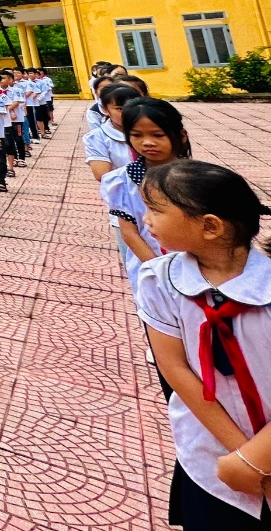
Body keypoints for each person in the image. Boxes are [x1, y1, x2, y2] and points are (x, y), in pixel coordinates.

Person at [135, 161, 271, 528]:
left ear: (210, 226)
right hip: (209, 454)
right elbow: (174, 368)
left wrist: (261, 458)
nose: (146, 219)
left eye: (156, 210)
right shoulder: (159, 281)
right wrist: (244, 456)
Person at [103, 97, 192, 294]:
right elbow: (129, 232)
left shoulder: (196, 177)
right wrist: (159, 270)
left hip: (194, 266)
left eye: (158, 135)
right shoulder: (123, 181)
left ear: (182, 136)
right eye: (136, 135)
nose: (147, 142)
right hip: (150, 266)